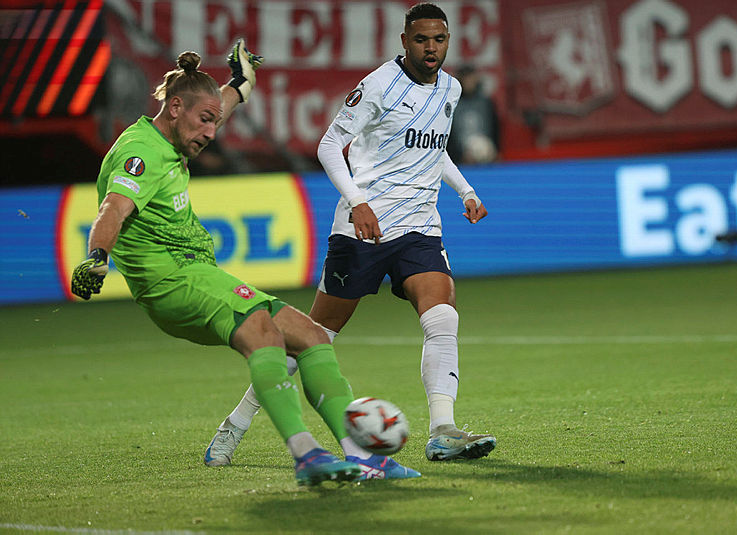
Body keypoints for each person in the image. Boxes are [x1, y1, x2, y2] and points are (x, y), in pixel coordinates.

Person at [70, 40, 419, 486]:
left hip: (199, 275)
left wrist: (238, 84)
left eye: (215, 121)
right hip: (172, 283)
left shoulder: (174, 130)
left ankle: (363, 457)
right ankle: (307, 455)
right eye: (204, 121)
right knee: (265, 337)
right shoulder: (139, 153)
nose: (212, 133)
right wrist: (96, 257)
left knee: (311, 337)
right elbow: (112, 210)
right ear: (174, 107)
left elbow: (219, 104)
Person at [205, 2, 496, 469]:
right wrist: (358, 201)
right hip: (364, 229)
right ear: (404, 41)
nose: (431, 49)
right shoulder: (380, 85)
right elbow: (327, 145)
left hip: (419, 226)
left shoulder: (451, 89)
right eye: (421, 40)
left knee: (442, 318)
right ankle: (236, 423)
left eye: (439, 40)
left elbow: (434, 149)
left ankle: (442, 430)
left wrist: (466, 190)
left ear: (448, 41)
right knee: (311, 341)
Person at [447, 64, 500, 165]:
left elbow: (495, 128)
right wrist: (458, 155)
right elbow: (448, 133)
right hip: (460, 158)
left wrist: (496, 150)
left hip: (486, 153)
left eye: (471, 78)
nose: (469, 82)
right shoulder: (452, 103)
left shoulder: (485, 102)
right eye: (466, 79)